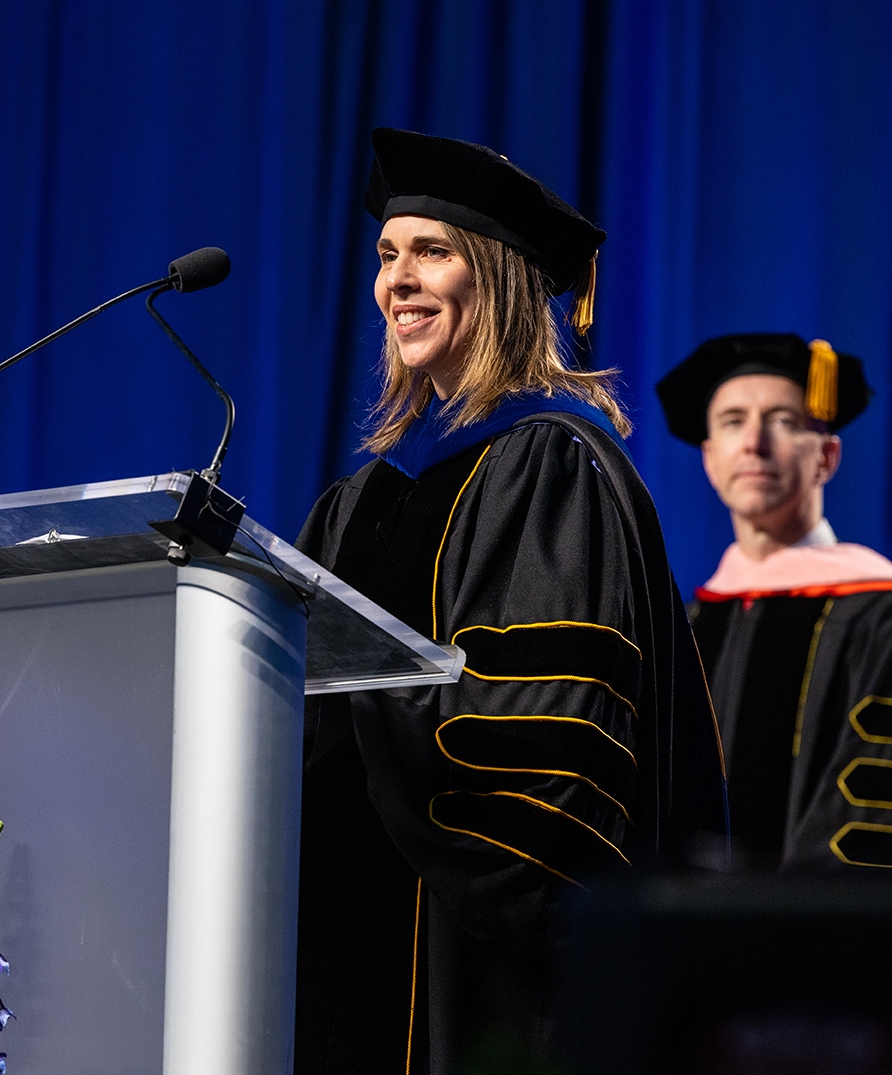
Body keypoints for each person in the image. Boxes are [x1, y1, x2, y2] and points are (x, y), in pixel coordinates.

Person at [294, 128, 726, 1074]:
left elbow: (541, 770)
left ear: (493, 276)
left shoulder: (549, 464)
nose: (397, 279)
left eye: (431, 252)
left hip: (477, 976)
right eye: (386, 255)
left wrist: (371, 717)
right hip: (328, 952)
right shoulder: (359, 500)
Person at [656, 333, 892, 870]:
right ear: (711, 460)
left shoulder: (879, 614)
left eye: (784, 421)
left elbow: (874, 805)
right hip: (685, 933)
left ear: (827, 457)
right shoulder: (686, 625)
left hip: (823, 935)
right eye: (733, 421)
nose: (755, 443)